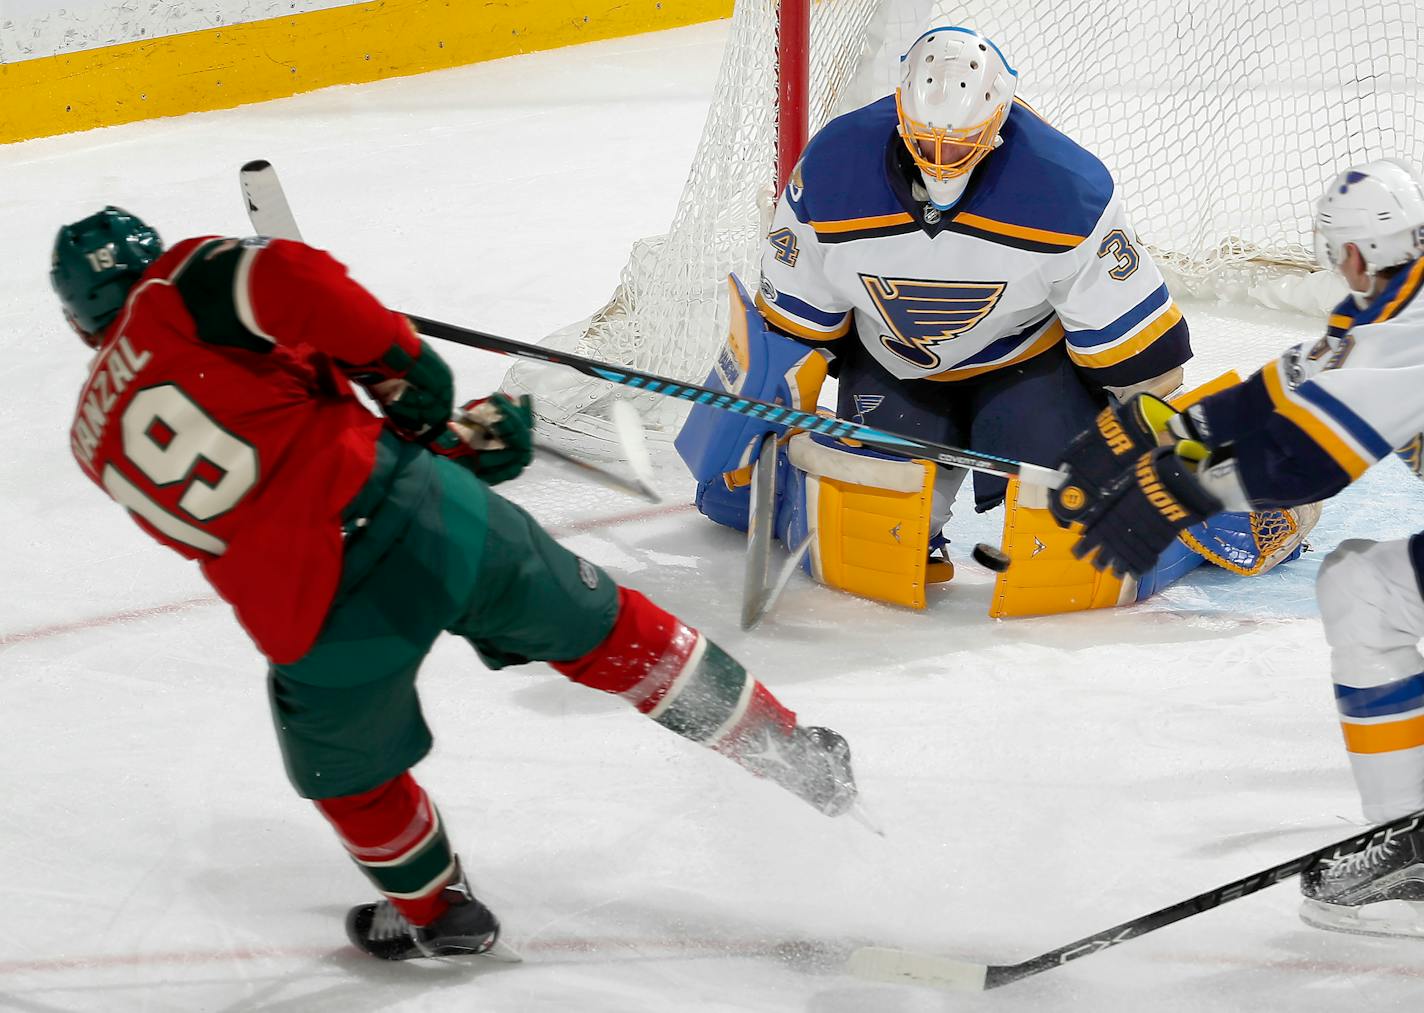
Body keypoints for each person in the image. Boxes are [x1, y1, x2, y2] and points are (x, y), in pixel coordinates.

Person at [54, 207, 858, 962]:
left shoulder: (92, 435)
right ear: (146, 260)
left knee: (348, 774)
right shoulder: (181, 282)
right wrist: (415, 392)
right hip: (421, 516)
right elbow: (297, 283)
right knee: (605, 630)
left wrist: (411, 432)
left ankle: (438, 913)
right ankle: (781, 746)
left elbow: (268, 488)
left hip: (314, 612)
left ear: (77, 321)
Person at [674, 23, 1311, 618]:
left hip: (1026, 368)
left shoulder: (1068, 189)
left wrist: (1150, 464)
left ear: (1001, 116)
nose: (942, 159)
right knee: (859, 544)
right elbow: (793, 330)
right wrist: (763, 436)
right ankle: (794, 493)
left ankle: (1211, 503)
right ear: (899, 110)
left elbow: (1147, 363)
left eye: (962, 142)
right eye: (926, 140)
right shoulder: (832, 170)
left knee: (1077, 551)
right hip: (893, 362)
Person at [1059, 158, 1424, 937]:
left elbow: (1305, 463)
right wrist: (1158, 431)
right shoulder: (1394, 305)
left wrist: (1174, 494)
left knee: (1365, 589)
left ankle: (1411, 851)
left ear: (1350, 254)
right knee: (1366, 578)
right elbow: (1276, 388)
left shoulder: (1404, 329)